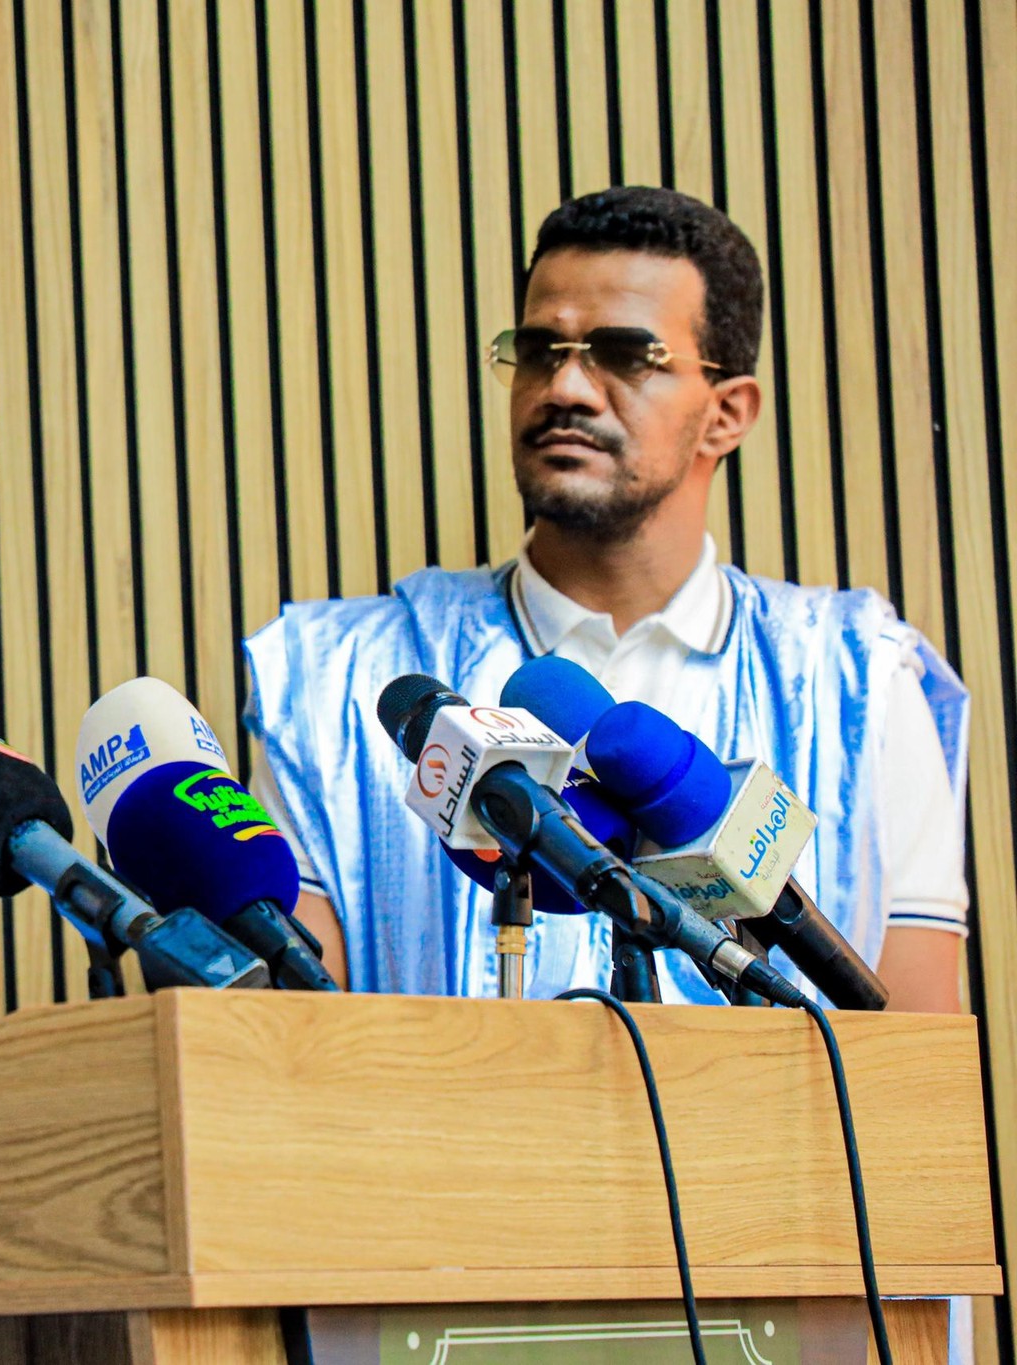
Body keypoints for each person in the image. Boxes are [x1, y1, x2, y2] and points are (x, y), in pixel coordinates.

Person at [245, 186, 969, 1015]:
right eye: (540, 349)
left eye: (624, 355)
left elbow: (916, 1053)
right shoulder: (339, 679)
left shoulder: (859, 682)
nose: (567, 386)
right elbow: (293, 1041)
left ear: (726, 413)